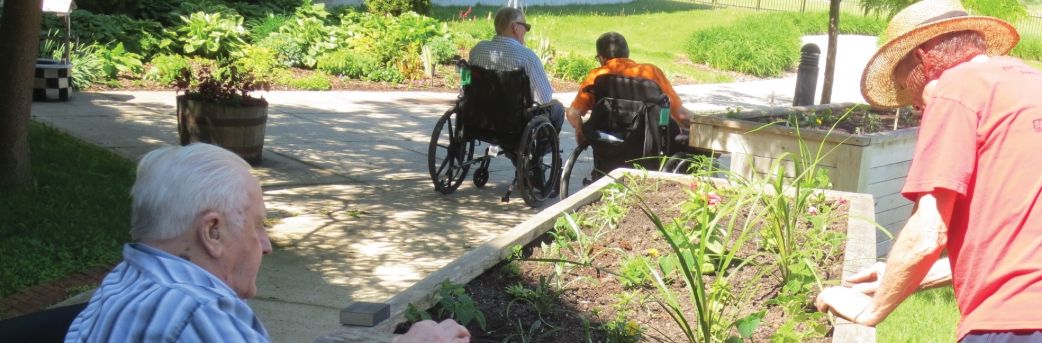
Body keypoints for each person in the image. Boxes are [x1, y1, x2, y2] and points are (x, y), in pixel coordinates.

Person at [814, 0, 1042, 342]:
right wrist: (900, 276)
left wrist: (871, 309)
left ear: (923, 61)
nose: (914, 106)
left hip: (1024, 325)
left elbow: (928, 233)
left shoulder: (956, 88)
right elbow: (1023, 244)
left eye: (906, 88)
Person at [64, 143, 470, 343]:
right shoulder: (195, 314)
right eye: (257, 227)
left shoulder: (127, 279)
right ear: (213, 233)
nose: (267, 244)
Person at [567, 32, 694, 146]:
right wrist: (702, 125)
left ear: (601, 58)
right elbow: (680, 114)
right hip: (649, 143)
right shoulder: (650, 72)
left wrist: (580, 132)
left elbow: (573, 114)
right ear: (627, 53)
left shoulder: (596, 76)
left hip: (609, 144)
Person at [468, 6, 564, 131]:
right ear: (515, 27)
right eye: (526, 26)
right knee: (557, 108)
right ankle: (541, 149)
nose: (526, 30)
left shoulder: (477, 50)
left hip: (480, 116)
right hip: (514, 123)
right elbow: (544, 98)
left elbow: (465, 79)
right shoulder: (527, 57)